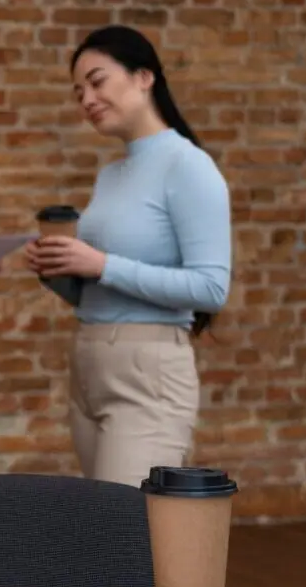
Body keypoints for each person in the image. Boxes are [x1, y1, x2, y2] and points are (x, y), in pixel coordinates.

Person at [25, 25, 231, 488]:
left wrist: (100, 264)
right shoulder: (111, 174)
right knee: (101, 518)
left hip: (147, 373)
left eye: (97, 81)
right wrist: (57, 270)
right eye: (78, 92)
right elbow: (100, 289)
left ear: (144, 76)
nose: (87, 99)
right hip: (89, 363)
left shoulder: (188, 165)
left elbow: (211, 288)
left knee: (123, 522)